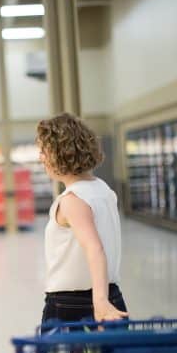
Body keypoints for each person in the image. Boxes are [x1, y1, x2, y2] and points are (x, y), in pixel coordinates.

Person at [37, 112, 128, 323]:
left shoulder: (73, 199)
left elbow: (94, 248)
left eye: (44, 150)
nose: (41, 158)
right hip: (111, 294)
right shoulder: (102, 189)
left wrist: (100, 301)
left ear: (60, 153)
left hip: (75, 304)